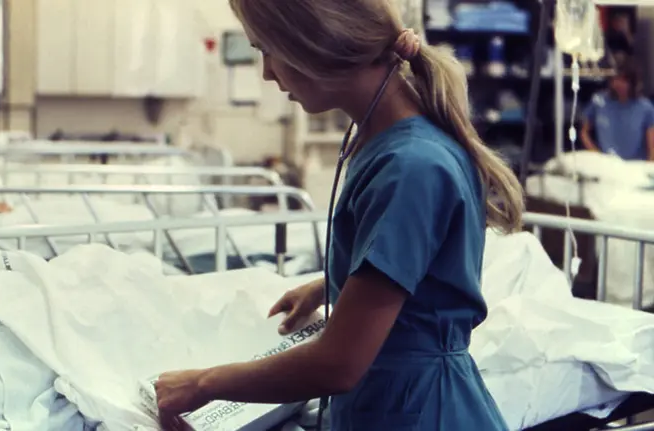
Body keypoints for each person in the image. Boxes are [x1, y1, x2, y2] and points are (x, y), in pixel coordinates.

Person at [153, 1, 524, 430]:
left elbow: (339, 364)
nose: (267, 73)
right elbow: (414, 271)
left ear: (316, 45)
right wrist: (332, 285)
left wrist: (204, 384)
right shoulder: (385, 142)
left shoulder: (411, 166)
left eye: (267, 50)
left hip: (422, 413)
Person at [580, 63, 654, 161]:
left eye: (624, 80)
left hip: (636, 166)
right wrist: (596, 154)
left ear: (633, 83)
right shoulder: (599, 101)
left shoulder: (645, 107)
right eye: (615, 79)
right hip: (608, 164)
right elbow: (584, 132)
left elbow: (652, 147)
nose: (618, 84)